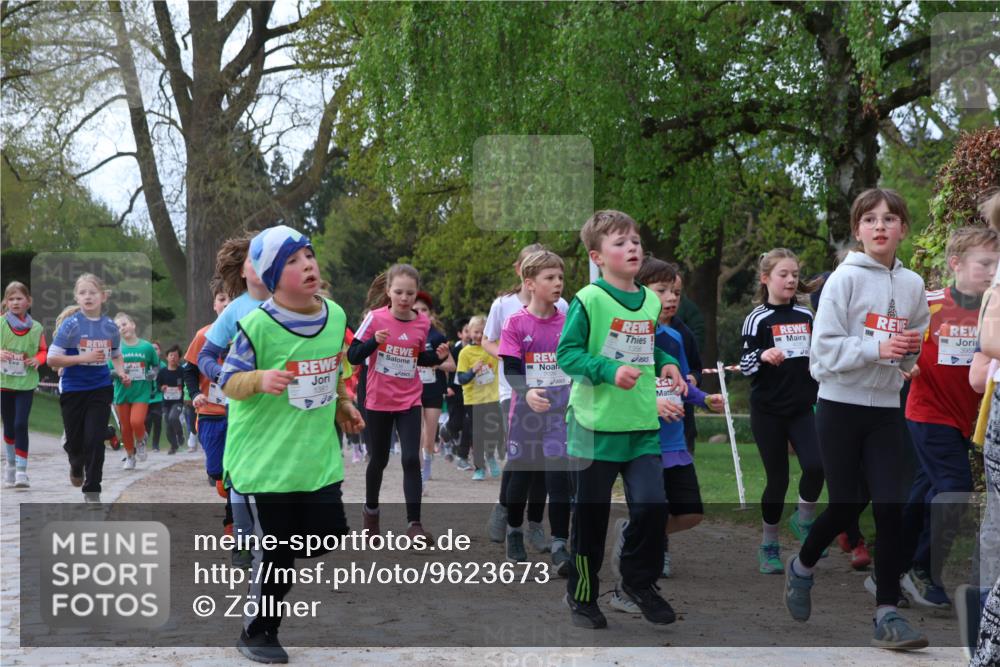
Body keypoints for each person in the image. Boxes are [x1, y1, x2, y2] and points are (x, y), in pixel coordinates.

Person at [783, 188, 931, 650]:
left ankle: (887, 613)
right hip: (839, 406)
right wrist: (875, 349)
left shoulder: (912, 285)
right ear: (857, 230)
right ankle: (802, 564)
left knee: (890, 507)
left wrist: (909, 358)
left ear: (904, 228)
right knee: (847, 504)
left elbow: (915, 336)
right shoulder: (842, 281)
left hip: (887, 410)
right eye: (870, 219)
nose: (880, 226)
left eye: (890, 218)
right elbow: (821, 354)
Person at [218, 224, 364, 663]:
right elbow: (227, 382)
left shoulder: (335, 315)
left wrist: (342, 404)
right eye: (293, 261)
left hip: (314, 458)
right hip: (264, 462)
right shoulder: (256, 325)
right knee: (279, 550)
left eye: (309, 256)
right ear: (272, 275)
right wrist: (260, 379)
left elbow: (333, 370)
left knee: (324, 537)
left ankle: (262, 546)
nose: (307, 266)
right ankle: (256, 631)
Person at [559, 209, 687, 629]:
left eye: (635, 239)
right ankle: (582, 596)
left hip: (641, 426)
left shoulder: (650, 300)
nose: (632, 247)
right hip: (594, 426)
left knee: (653, 507)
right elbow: (568, 355)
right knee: (590, 521)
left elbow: (647, 347)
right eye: (620, 242)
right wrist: (608, 371)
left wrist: (666, 362)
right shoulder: (588, 300)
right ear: (597, 256)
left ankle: (635, 581)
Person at [899, 226, 999, 613]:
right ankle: (922, 569)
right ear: (956, 263)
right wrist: (903, 365)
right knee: (956, 489)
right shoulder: (929, 303)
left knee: (920, 497)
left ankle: (890, 568)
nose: (991, 271)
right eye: (984, 263)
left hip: (966, 420)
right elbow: (897, 342)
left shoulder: (993, 306)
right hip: (927, 413)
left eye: (996, 263)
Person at [626, 256, 721, 596]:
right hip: (642, 439)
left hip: (675, 439)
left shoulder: (674, 338)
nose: (671, 297)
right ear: (641, 291)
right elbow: (619, 387)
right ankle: (642, 566)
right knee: (652, 507)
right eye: (661, 290)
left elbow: (681, 382)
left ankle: (633, 533)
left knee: (692, 512)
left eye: (675, 291)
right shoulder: (627, 335)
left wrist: (703, 399)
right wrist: (650, 404)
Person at [347, 264, 449, 539]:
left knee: (410, 458)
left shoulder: (422, 323)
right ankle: (371, 514)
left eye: (410, 293)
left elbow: (419, 359)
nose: (405, 298)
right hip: (377, 400)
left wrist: (438, 356)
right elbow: (353, 355)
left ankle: (414, 524)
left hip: (408, 400)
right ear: (389, 292)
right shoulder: (375, 319)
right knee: (378, 459)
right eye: (399, 292)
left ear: (417, 295)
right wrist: (374, 344)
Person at [740, 249, 825, 575]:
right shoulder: (757, 318)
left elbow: (821, 354)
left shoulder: (807, 316)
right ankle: (769, 545)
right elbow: (744, 364)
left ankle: (803, 519)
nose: (790, 280)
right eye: (783, 274)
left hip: (803, 407)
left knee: (817, 466)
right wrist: (763, 354)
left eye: (794, 274)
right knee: (778, 480)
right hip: (768, 411)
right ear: (766, 279)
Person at [484, 244, 569, 548]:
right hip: (518, 398)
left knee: (554, 473)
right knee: (522, 467)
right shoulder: (508, 312)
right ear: (527, 278)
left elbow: (572, 357)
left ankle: (556, 539)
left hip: (558, 408)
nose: (558, 283)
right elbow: (497, 351)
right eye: (551, 277)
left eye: (561, 277)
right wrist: (525, 386)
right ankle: (512, 523)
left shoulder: (566, 314)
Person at [47, 273, 127, 502]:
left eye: (92, 292)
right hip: (73, 389)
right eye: (82, 293)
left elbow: (116, 355)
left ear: (103, 296)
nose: (88, 297)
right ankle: (75, 465)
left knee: (94, 439)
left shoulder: (110, 327)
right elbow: (52, 359)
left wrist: (121, 372)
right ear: (77, 298)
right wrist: (83, 357)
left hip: (100, 388)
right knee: (75, 442)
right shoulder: (71, 326)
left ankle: (93, 490)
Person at [1, 281, 47, 488]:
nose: (15, 302)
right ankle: (10, 465)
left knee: (21, 424)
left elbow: (44, 350)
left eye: (19, 298)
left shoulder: (36, 327)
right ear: (5, 302)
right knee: (9, 426)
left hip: (26, 384)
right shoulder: (1, 324)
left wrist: (38, 359)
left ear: (28, 302)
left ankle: (21, 470)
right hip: (4, 384)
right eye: (11, 299)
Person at [413, 292, 455, 490]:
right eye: (416, 310)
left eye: (424, 310)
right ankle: (419, 472)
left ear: (430, 314)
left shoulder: (437, 336)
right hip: (412, 390)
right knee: (417, 434)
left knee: (429, 436)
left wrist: (435, 364)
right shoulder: (406, 333)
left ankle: (428, 458)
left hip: (433, 390)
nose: (420, 313)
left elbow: (452, 365)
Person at [456, 315, 502, 481]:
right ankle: (479, 468)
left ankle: (490, 456)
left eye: (483, 332)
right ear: (468, 332)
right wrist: (473, 371)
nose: (479, 335)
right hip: (473, 400)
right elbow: (461, 379)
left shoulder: (493, 346)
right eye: (476, 332)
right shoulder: (465, 353)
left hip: (493, 397)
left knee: (494, 432)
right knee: (477, 435)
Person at [111, 312, 159, 470]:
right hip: (122, 392)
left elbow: (156, 365)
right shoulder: (115, 348)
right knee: (125, 427)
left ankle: (141, 439)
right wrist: (120, 374)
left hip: (141, 392)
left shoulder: (146, 347)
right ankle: (130, 456)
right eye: (118, 327)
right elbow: (109, 370)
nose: (122, 328)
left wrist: (153, 373)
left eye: (124, 324)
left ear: (133, 324)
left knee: (136, 422)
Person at [157, 344, 188, 454]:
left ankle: (180, 434)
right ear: (167, 357)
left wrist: (186, 397)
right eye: (171, 355)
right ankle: (173, 445)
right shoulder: (162, 372)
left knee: (173, 418)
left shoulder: (182, 371)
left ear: (179, 358)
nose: (173, 358)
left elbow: (187, 385)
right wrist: (161, 387)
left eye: (175, 356)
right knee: (168, 424)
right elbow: (158, 385)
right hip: (166, 403)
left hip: (178, 402)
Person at [145, 341, 164, 452]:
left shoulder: (163, 366)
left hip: (159, 397)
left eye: (156, 348)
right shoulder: (144, 364)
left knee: (157, 419)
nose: (154, 351)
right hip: (145, 397)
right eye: (152, 349)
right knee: (146, 420)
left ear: (160, 351)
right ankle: (143, 443)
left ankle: (155, 445)